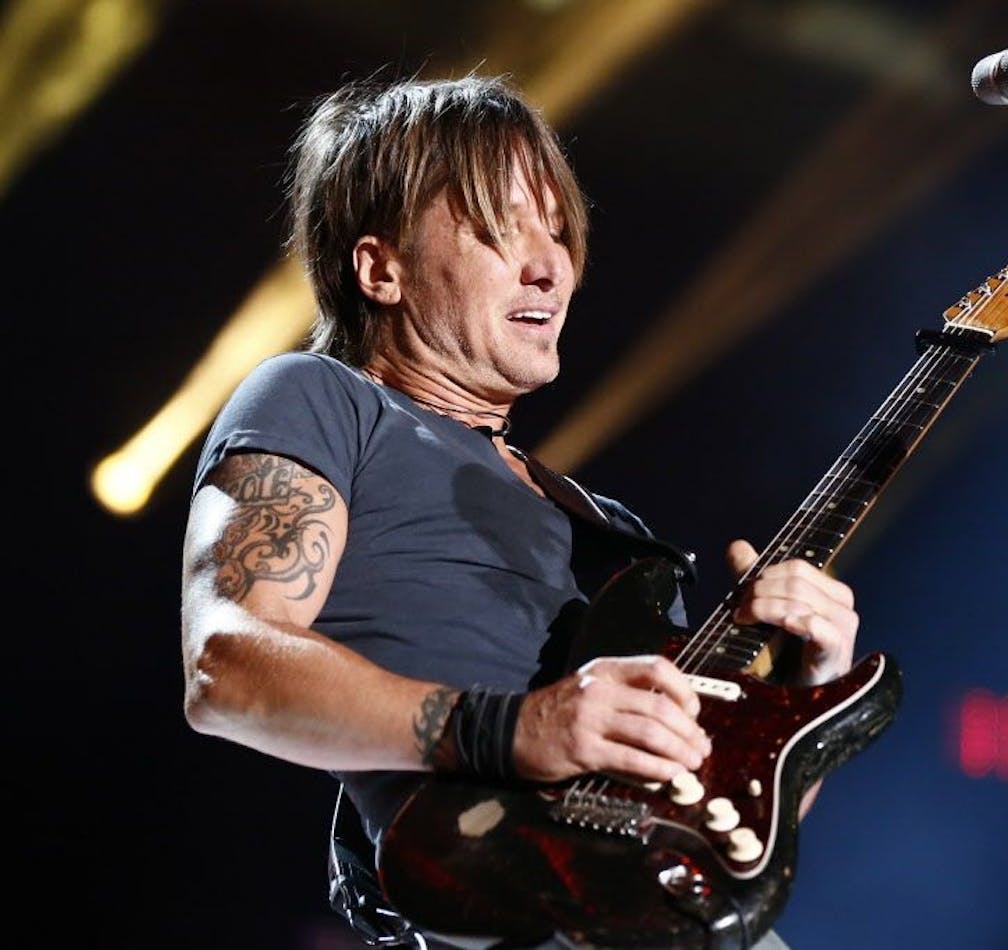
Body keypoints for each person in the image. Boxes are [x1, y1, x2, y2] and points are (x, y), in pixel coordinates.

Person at [180, 72, 860, 950]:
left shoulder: (604, 527)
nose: (552, 264)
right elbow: (225, 666)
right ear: (380, 268)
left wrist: (806, 694)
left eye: (558, 229)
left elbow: (720, 817)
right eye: (502, 229)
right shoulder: (320, 399)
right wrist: (516, 727)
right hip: (507, 904)